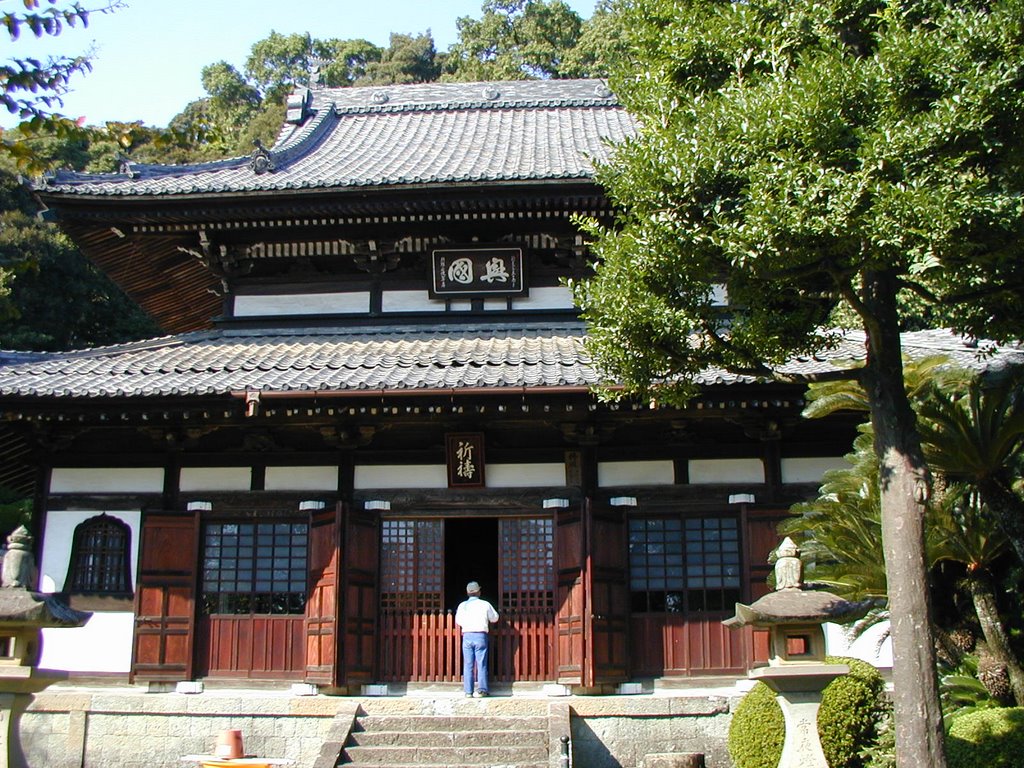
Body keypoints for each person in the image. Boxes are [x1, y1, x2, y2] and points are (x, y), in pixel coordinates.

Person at [454, 580, 499, 697]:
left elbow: (458, 621)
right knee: (481, 663)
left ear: (467, 592)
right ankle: (482, 690)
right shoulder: (485, 604)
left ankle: (468, 691)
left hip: (467, 635)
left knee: (468, 664)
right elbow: (494, 618)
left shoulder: (462, 605)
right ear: (479, 592)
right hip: (480, 635)